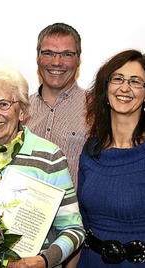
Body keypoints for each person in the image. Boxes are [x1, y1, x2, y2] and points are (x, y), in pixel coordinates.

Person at [0, 64, 85, 268]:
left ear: (22, 110)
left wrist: (44, 260)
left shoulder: (49, 156)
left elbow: (74, 229)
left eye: (4, 104)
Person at [77, 50, 145, 267]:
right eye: (117, 79)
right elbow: (82, 221)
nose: (124, 88)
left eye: (136, 82)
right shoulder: (91, 150)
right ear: (106, 88)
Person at [27, 22, 87, 189]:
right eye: (48, 53)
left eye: (67, 54)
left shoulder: (96, 109)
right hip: (22, 213)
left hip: (75, 213)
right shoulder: (20, 109)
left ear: (78, 59)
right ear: (37, 57)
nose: (56, 62)